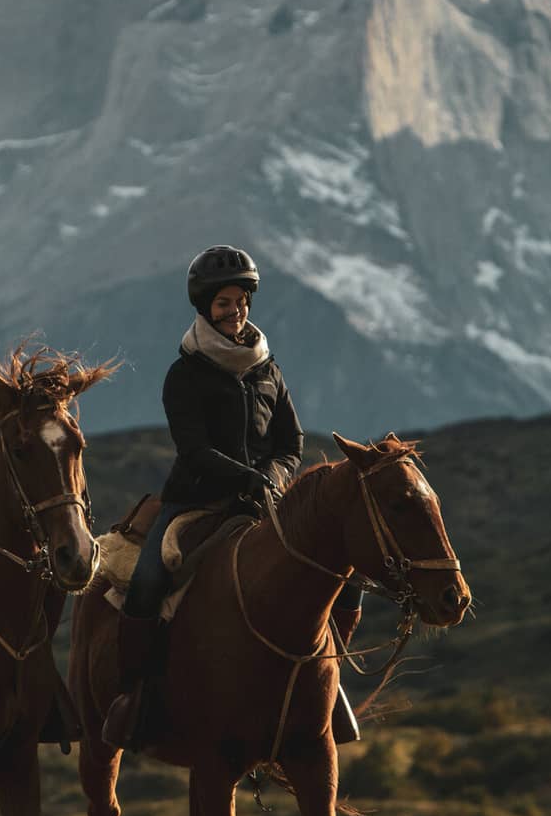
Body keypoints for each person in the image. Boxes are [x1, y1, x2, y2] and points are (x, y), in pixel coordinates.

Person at [101, 246, 362, 748]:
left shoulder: (268, 369)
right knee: (147, 582)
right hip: (196, 501)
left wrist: (273, 475)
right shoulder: (186, 374)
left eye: (241, 300)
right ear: (204, 306)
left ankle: (326, 685)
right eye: (224, 302)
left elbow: (292, 442)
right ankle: (136, 696)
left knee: (345, 580)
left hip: (265, 497)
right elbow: (193, 449)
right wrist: (245, 478)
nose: (235, 310)